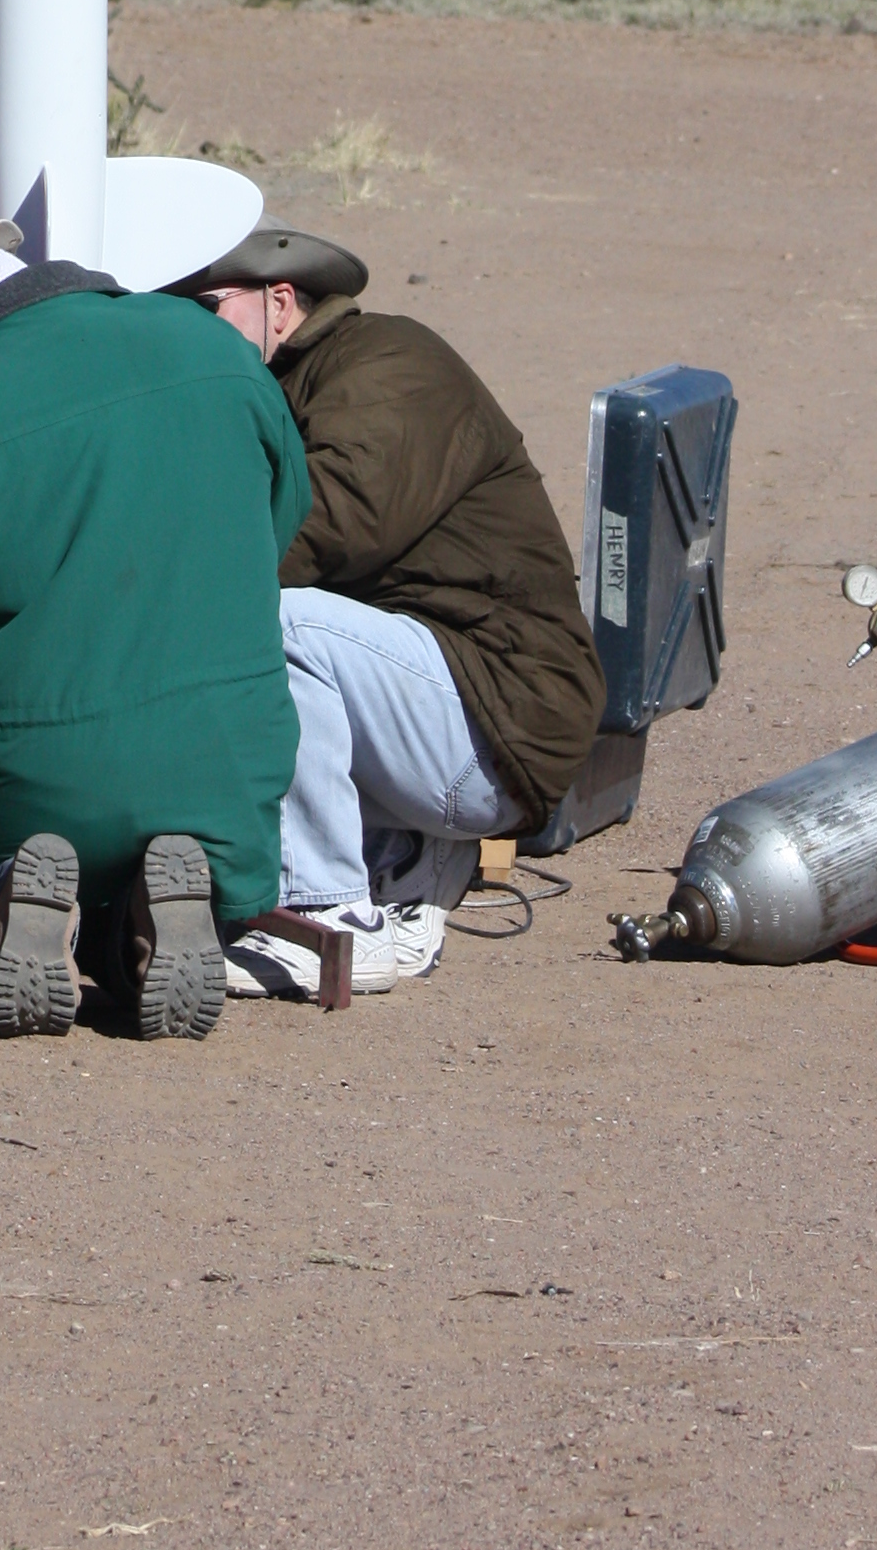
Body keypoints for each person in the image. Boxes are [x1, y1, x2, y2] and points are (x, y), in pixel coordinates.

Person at [0, 217, 311, 1040]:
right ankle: (139, 928)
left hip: (25, 768)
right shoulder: (212, 344)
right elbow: (281, 514)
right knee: (153, 851)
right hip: (230, 759)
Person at [174, 224, 604, 1003]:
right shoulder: (275, 386)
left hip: (498, 717)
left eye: (205, 307)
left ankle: (330, 915)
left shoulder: (390, 363)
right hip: (438, 716)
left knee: (276, 623)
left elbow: (322, 524)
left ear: (280, 302)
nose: (186, 328)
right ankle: (408, 853)